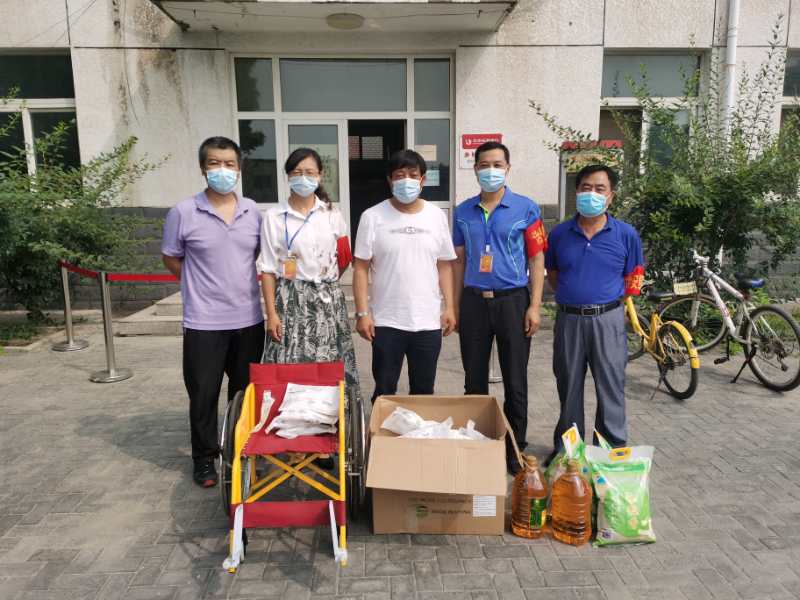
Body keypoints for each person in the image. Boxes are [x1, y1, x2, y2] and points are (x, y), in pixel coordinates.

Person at [161, 136, 265, 488]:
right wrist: (197, 284)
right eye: (215, 163)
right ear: (203, 168)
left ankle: (241, 452)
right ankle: (204, 459)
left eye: (229, 164)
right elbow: (171, 257)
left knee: (244, 394)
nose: (223, 170)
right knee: (203, 394)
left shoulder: (253, 212)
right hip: (204, 322)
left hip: (249, 319)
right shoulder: (183, 212)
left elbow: (256, 258)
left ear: (239, 169)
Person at [258, 147, 362, 464]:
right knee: (292, 368)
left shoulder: (332, 215)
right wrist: (271, 314)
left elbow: (344, 257)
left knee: (328, 368)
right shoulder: (274, 217)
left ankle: (326, 437)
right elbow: (267, 268)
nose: (304, 178)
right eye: (297, 172)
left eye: (310, 172)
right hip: (290, 301)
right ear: (288, 176)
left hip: (327, 303)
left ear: (320, 176)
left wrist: (323, 284)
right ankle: (292, 438)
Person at [452, 141, 547, 475]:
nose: (490, 170)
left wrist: (535, 306)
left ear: (507, 168)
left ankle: (514, 448)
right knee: (473, 380)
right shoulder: (462, 212)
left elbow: (537, 259)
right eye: (484, 165)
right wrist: (455, 305)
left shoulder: (527, 209)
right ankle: (477, 444)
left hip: (513, 301)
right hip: (474, 302)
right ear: (475, 169)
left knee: (515, 380)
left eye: (497, 165)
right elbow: (458, 261)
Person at [544, 163, 644, 462]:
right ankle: (568, 453)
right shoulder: (560, 234)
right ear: (576, 191)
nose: (592, 194)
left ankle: (610, 453)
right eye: (586, 187)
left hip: (608, 320)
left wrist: (606, 303)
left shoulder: (625, 234)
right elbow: (553, 274)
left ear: (611, 196)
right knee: (568, 386)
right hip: (569, 320)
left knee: (610, 387)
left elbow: (633, 276)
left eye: (600, 189)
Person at [353, 149, 457, 402]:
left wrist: (450, 307)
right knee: (384, 390)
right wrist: (363, 313)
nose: (406, 180)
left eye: (413, 174)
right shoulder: (372, 216)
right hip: (387, 321)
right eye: (400, 175)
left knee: (424, 392)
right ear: (390, 180)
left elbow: (444, 265)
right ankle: (381, 428)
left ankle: (417, 429)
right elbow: (361, 268)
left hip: (427, 320)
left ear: (423, 179)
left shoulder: (436, 216)